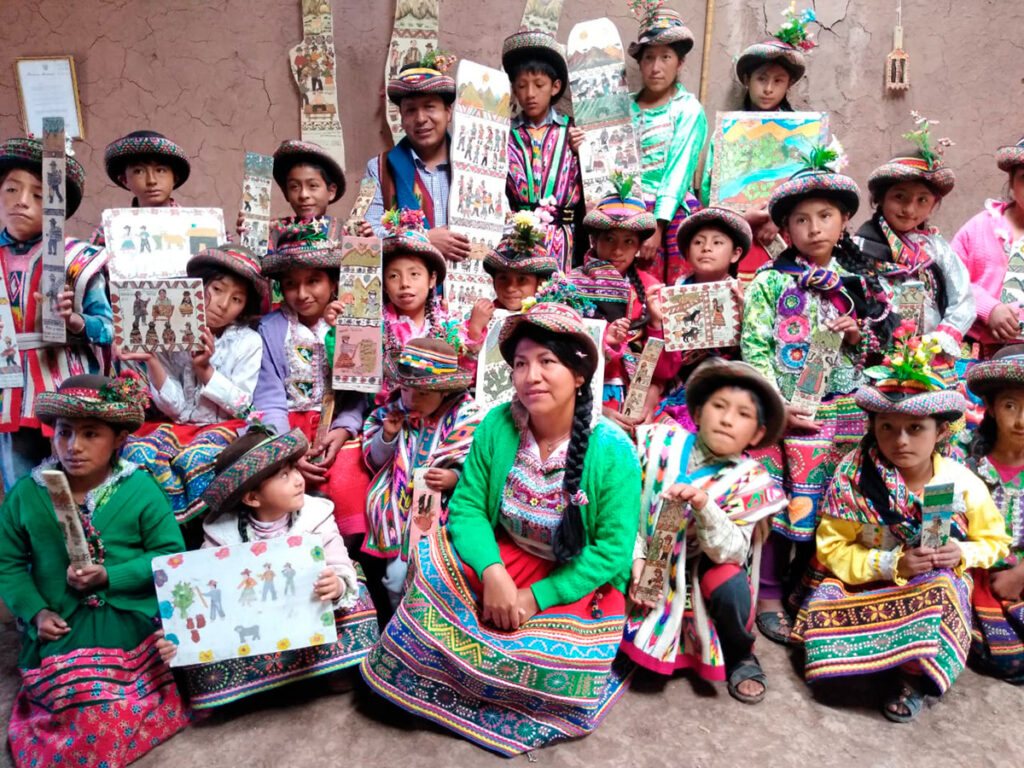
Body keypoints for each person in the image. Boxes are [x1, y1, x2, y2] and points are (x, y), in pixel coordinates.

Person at [361, 301, 641, 756]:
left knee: (547, 655)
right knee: (427, 578)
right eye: (521, 364)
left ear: (579, 375)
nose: (531, 376)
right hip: (505, 556)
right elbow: (468, 507)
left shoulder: (613, 452)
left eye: (548, 362)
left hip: (571, 580)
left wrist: (534, 598)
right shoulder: (497, 425)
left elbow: (611, 551)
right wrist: (492, 574)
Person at [790, 332, 1009, 722]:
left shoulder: (960, 482)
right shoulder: (854, 478)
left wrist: (964, 553)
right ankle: (872, 661)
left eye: (916, 428)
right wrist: (892, 565)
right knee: (826, 601)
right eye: (887, 427)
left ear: (941, 432)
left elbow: (995, 542)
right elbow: (832, 550)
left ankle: (907, 675)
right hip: (860, 579)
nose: (900, 441)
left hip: (927, 583)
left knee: (946, 586)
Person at [741, 147, 896, 643]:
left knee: (837, 499)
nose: (814, 228)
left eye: (825, 216)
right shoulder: (770, 281)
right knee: (778, 496)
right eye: (801, 220)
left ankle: (811, 586)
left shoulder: (865, 282)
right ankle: (766, 590)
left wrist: (858, 338)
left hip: (845, 409)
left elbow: (882, 352)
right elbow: (756, 346)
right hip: (786, 411)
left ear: (845, 219)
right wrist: (775, 407)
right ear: (785, 231)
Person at [0, 374, 190, 766]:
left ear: (119, 439)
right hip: (61, 626)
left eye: (91, 434)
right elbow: (9, 562)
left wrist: (109, 576)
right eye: (65, 433)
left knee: (113, 712)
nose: (74, 446)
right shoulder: (27, 493)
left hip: (128, 624)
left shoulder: (139, 489)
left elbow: (170, 556)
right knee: (73, 707)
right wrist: (36, 611)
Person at [156, 427, 379, 708]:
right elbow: (203, 588)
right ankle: (255, 684)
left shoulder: (316, 515)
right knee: (200, 639)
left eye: (293, 469)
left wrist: (336, 586)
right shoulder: (220, 535)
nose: (299, 480)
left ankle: (333, 668)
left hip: (309, 613)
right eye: (284, 475)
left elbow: (339, 563)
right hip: (256, 621)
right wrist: (180, 629)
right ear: (251, 498)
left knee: (357, 590)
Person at [624, 358, 787, 703]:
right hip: (638, 552)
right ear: (697, 413)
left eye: (744, 414)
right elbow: (622, 506)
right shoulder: (657, 441)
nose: (727, 419)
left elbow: (731, 552)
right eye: (719, 406)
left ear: (758, 433)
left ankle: (740, 652)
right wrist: (636, 556)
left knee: (728, 580)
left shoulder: (752, 480)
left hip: (699, 566)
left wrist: (704, 505)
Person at [120, 246, 270, 535]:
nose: (223, 304)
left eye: (236, 299)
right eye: (216, 288)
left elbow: (241, 404)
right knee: (139, 452)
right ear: (196, 287)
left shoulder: (248, 342)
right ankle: (160, 535)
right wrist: (151, 358)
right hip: (173, 426)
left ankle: (202, 536)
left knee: (200, 459)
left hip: (223, 427)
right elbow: (177, 409)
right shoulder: (168, 331)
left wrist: (205, 371)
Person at [0, 137, 113, 490]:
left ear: (57, 209)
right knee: (22, 490)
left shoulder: (78, 260)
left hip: (66, 391)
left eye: (38, 194)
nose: (22, 201)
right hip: (8, 396)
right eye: (11, 189)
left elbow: (108, 328)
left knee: (77, 487)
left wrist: (76, 321)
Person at [252, 216, 372, 536]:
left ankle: (349, 563)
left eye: (313, 281)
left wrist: (345, 429)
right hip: (286, 432)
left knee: (348, 477)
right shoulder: (271, 329)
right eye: (291, 284)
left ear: (333, 282)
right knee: (280, 485)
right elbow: (269, 395)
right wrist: (288, 450)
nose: (302, 293)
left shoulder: (353, 323)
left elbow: (359, 391)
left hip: (334, 428)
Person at [700, 5, 817, 282]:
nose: (768, 88)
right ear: (746, 80)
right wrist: (742, 217)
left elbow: (810, 186)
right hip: (737, 234)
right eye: (761, 78)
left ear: (788, 85)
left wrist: (778, 219)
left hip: (787, 234)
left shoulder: (802, 135)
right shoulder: (726, 134)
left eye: (778, 80)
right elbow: (710, 191)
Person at [362, 337, 481, 608]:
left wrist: (455, 479)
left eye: (423, 393)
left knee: (439, 577)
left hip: (448, 514)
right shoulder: (393, 413)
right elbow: (375, 458)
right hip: (401, 511)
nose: (411, 399)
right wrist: (387, 436)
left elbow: (480, 469)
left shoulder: (468, 417)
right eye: (405, 390)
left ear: (445, 391)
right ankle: (397, 624)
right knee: (395, 578)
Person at [854, 116, 975, 380]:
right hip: (877, 361)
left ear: (933, 205)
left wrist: (938, 340)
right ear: (880, 198)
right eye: (900, 197)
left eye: (922, 200)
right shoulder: (859, 250)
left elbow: (962, 299)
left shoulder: (937, 250)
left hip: (931, 358)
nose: (910, 209)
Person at [578, 184, 677, 430]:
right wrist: (595, 410)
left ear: (638, 246)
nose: (618, 250)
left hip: (640, 397)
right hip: (583, 397)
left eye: (628, 241)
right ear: (594, 239)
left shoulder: (651, 289)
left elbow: (666, 370)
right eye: (609, 239)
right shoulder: (570, 287)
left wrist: (656, 323)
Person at [627, 4, 707, 285]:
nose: (656, 67)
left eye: (665, 57)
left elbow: (679, 170)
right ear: (639, 63)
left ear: (680, 63)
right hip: (626, 210)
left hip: (670, 218)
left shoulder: (688, 109)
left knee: (669, 299)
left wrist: (657, 226)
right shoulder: (625, 108)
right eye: (649, 57)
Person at [361, 59, 471, 263]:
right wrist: (423, 239)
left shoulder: (474, 165)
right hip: (405, 290)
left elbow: (501, 227)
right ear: (401, 118)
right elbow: (368, 235)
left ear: (448, 112)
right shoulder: (379, 168)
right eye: (411, 110)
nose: (421, 119)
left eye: (430, 107)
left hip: (468, 289)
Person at [964, 345, 1024, 682]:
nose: (1021, 421)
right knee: (1004, 655)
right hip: (977, 569)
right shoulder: (966, 461)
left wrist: (1021, 574)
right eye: (1010, 405)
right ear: (989, 408)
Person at [502, 30, 584, 271]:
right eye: (521, 86)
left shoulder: (572, 131)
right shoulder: (506, 135)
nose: (530, 94)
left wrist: (584, 152)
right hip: (517, 238)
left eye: (539, 85)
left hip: (565, 239)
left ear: (555, 86)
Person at [952, 136, 1024, 356]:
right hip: (981, 353)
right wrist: (988, 308)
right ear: (1011, 182)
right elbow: (952, 278)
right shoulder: (980, 227)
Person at [90, 130, 191, 246]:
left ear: (175, 178)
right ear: (125, 180)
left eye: (161, 170)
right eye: (139, 171)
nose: (151, 180)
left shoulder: (193, 222)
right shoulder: (112, 227)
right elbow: (91, 260)